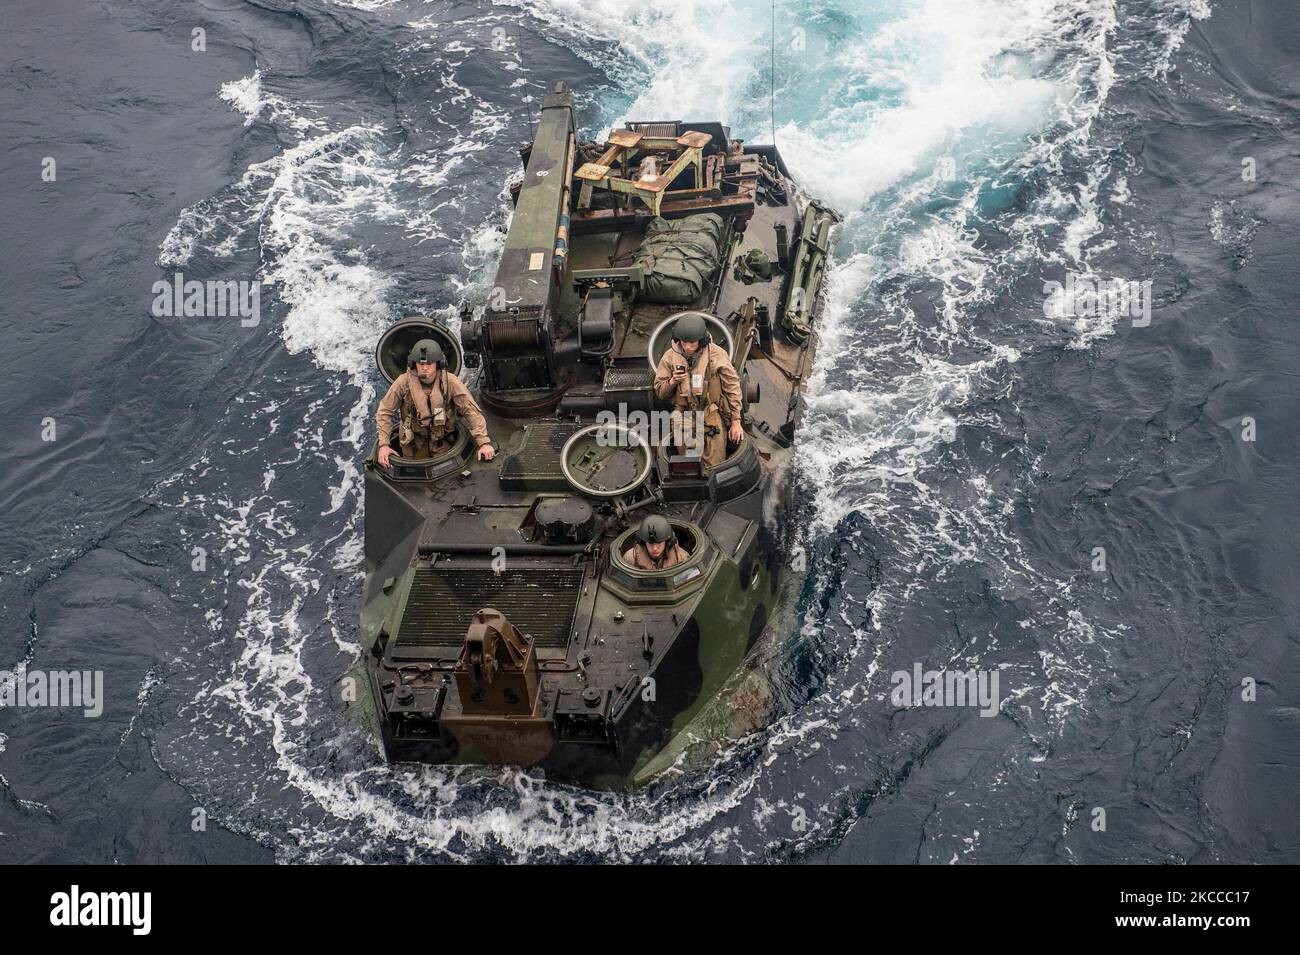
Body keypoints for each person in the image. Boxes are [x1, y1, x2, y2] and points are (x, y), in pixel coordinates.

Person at [375, 339, 494, 467]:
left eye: (430, 363)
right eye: (420, 364)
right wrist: (384, 445)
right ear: (413, 364)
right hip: (413, 442)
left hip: (441, 441)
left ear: (439, 363)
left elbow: (470, 410)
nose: (425, 368)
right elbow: (385, 411)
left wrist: (484, 443)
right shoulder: (403, 383)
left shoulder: (450, 383)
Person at [652, 313, 743, 467]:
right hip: (684, 415)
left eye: (692, 342)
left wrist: (736, 421)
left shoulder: (716, 355)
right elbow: (660, 391)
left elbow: (732, 387)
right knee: (689, 465)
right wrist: (673, 381)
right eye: (684, 342)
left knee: (714, 465)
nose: (687, 347)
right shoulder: (669, 357)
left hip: (711, 414)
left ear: (701, 340)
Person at [622, 515, 690, 570]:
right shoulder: (630, 558)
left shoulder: (681, 557)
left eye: (659, 543)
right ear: (643, 543)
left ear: (668, 542)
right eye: (650, 543)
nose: (654, 548)